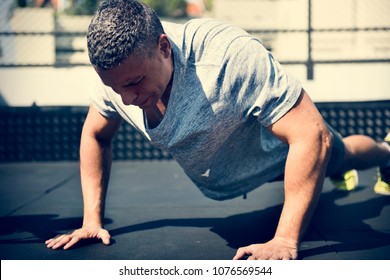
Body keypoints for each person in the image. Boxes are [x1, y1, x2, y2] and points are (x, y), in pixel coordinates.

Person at [45, 0, 390, 260]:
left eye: (135, 83)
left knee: (339, 154)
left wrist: (284, 239)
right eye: (117, 88)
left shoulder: (227, 56)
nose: (127, 98)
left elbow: (313, 136)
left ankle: (386, 151)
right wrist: (92, 219)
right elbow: (95, 134)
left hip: (282, 155)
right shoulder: (119, 76)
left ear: (164, 47)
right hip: (227, 176)